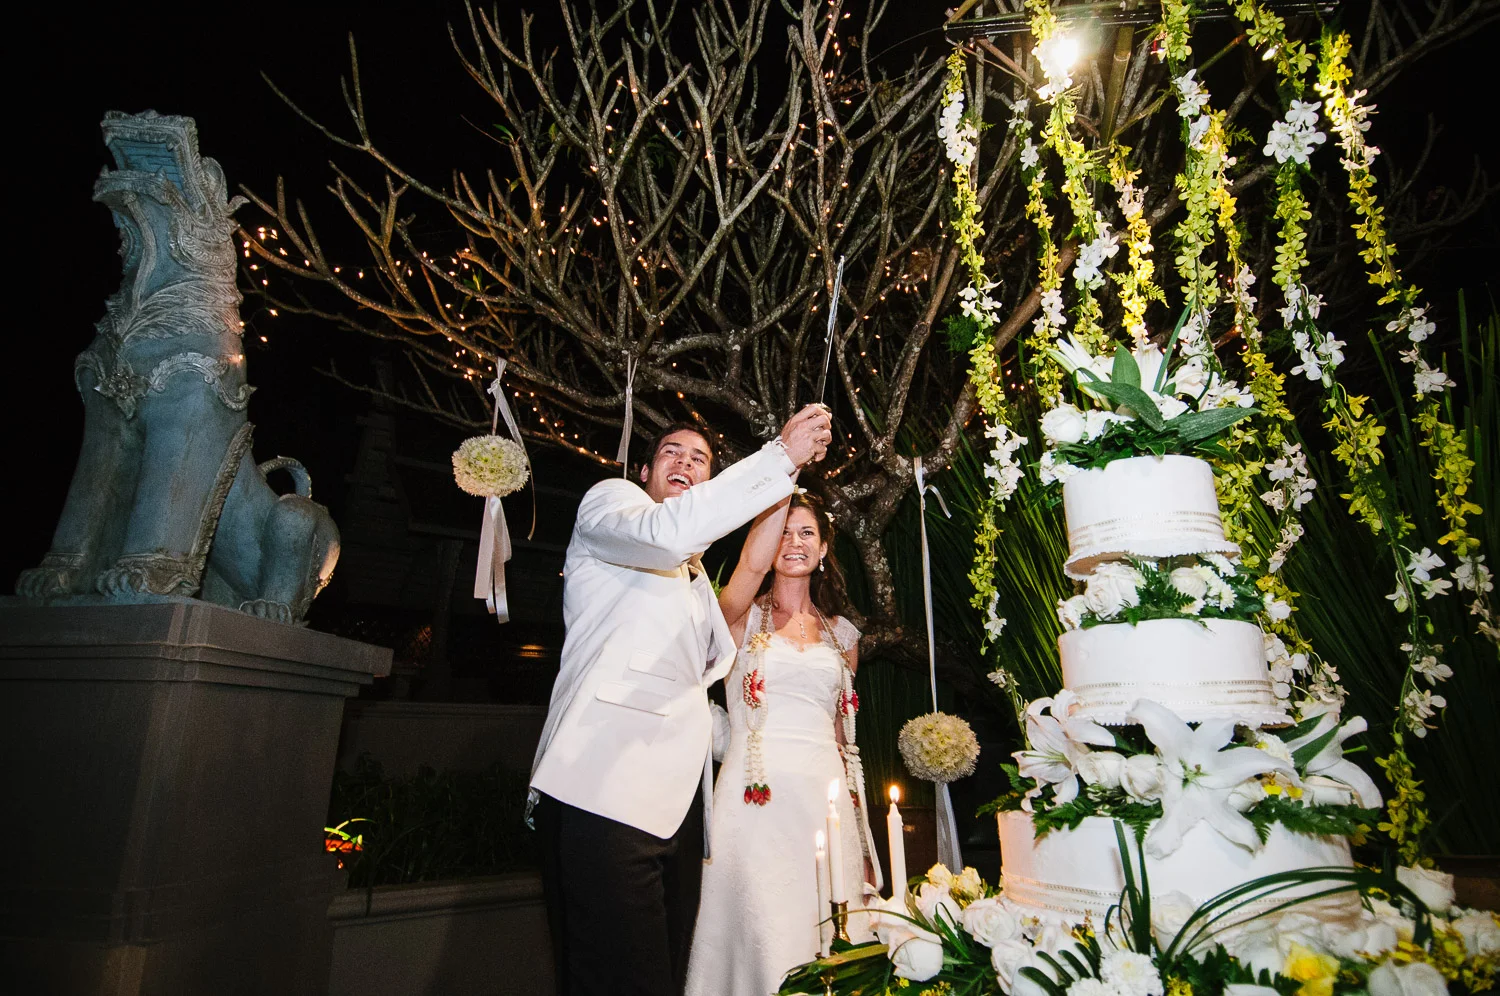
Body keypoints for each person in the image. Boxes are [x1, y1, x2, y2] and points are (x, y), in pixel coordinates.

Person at [530, 405, 833, 996]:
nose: (687, 462)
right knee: (615, 978)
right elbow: (670, 534)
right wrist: (778, 454)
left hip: (681, 812)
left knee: (666, 977)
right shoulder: (612, 508)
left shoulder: (693, 580)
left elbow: (747, 571)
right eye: (673, 451)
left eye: (700, 458)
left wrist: (784, 482)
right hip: (605, 789)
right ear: (644, 470)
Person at [684, 490, 882, 996]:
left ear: (822, 551)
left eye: (806, 532)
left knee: (824, 922)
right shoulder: (737, 615)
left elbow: (845, 742)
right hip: (753, 798)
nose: (794, 542)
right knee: (756, 922)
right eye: (783, 531)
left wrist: (862, 838)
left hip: (824, 798)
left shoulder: (844, 636)